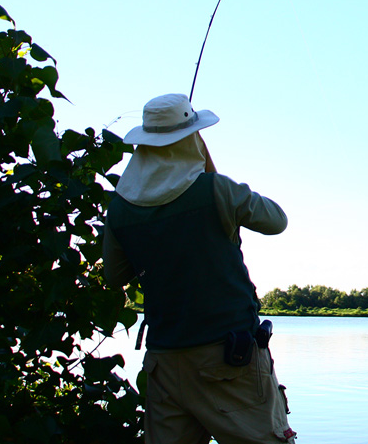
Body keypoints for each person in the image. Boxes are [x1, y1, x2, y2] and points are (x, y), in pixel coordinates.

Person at [103, 93, 296, 444]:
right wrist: (210, 171)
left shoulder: (119, 210)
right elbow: (276, 220)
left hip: (164, 362)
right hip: (228, 358)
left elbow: (114, 276)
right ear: (194, 138)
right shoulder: (215, 190)